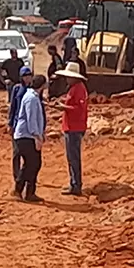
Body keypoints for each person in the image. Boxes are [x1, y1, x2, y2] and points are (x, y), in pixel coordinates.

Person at [13, 74, 48, 202]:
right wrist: (37, 136)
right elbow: (31, 119)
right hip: (26, 136)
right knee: (32, 164)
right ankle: (20, 189)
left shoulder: (33, 97)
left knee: (33, 164)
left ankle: (28, 192)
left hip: (29, 136)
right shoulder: (31, 99)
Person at [55, 62, 88, 196]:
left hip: (74, 127)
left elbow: (79, 109)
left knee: (73, 157)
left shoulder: (78, 89)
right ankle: (74, 183)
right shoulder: (74, 88)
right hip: (71, 126)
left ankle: (76, 185)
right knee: (71, 156)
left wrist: (63, 107)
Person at [8, 66, 33, 188]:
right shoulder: (17, 89)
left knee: (28, 154)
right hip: (17, 124)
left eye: (29, 75)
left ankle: (25, 176)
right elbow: (13, 107)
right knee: (16, 152)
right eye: (25, 75)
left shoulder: (33, 90)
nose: (27, 78)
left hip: (29, 125)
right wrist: (10, 123)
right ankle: (17, 175)